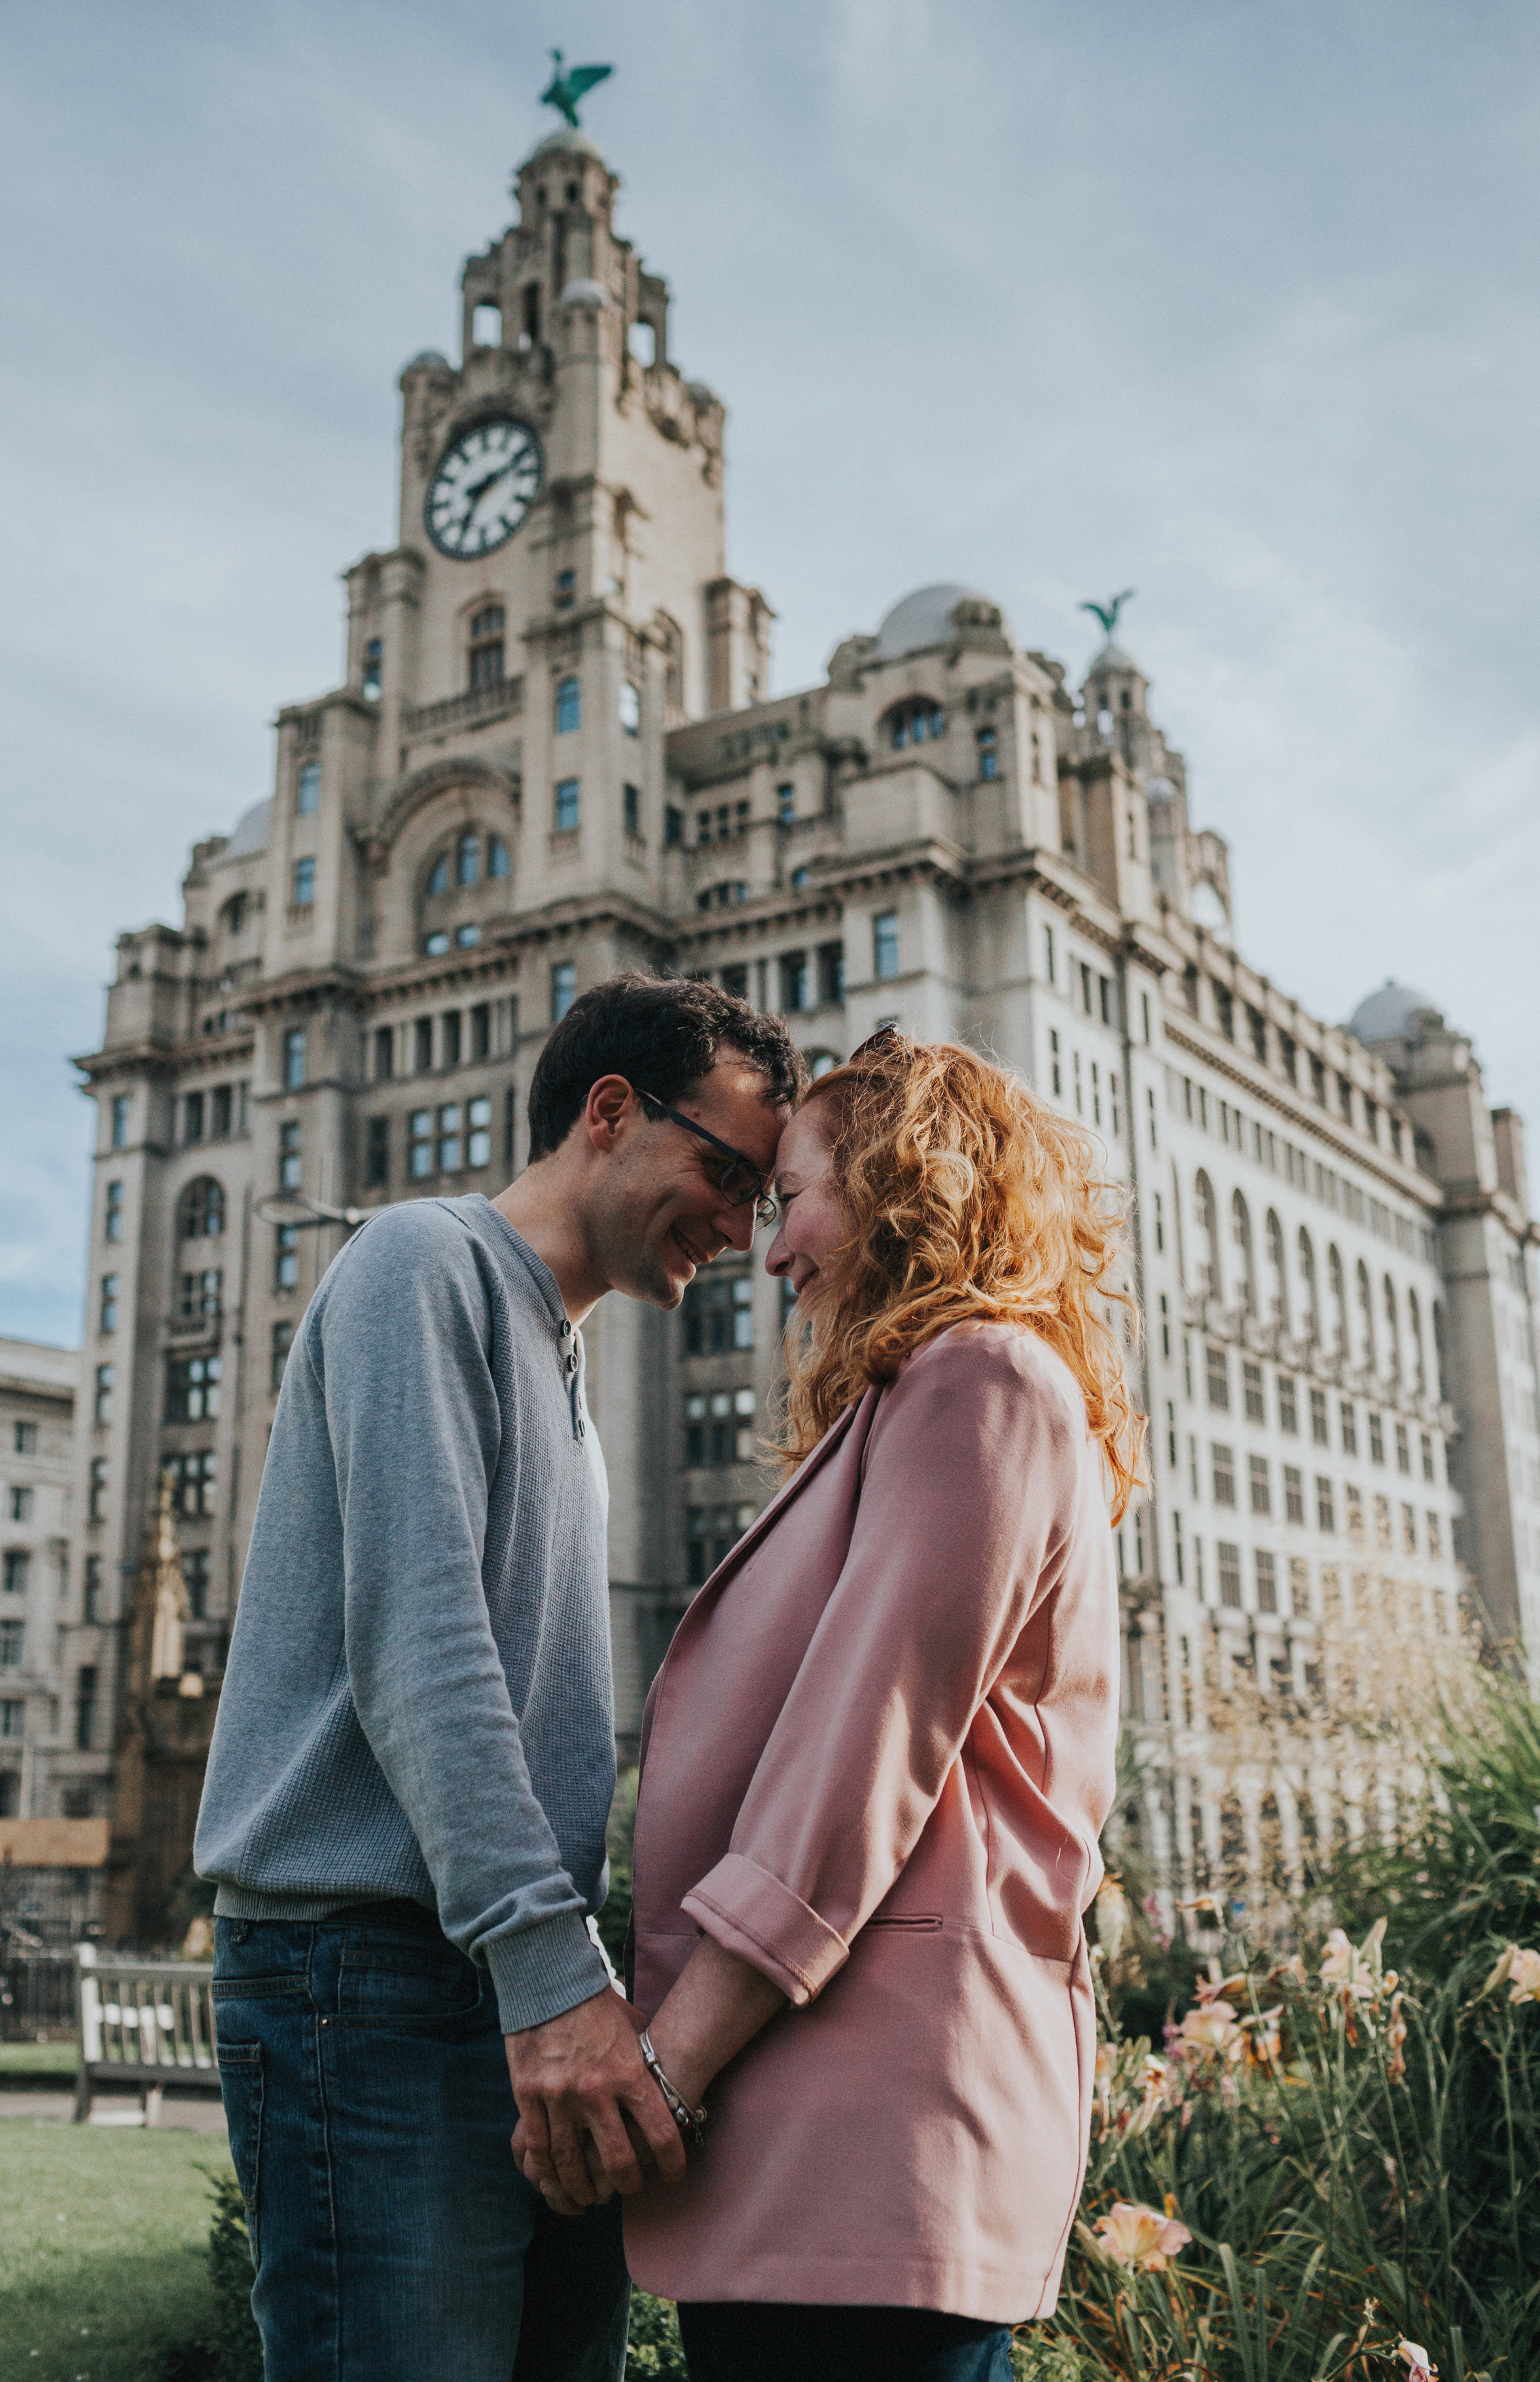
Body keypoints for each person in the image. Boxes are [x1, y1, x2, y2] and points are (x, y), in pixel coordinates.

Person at [194, 974, 804, 2382]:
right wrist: (553, 1974)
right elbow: (424, 1648)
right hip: (366, 1973)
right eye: (723, 1171)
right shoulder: (420, 1263)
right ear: (607, 1113)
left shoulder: (564, 1367)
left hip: (494, 1969)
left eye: (761, 1199)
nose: (736, 1227)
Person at [610, 1029, 1143, 2382]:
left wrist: (657, 2074)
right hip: (833, 2146)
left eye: (792, 1198)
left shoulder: (984, 1380)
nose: (768, 1250)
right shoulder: (929, 1395)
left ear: (909, 1182)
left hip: (876, 2141)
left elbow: (854, 1763)